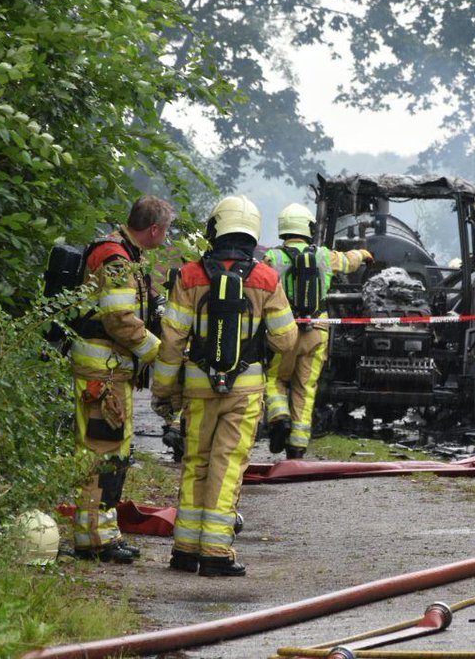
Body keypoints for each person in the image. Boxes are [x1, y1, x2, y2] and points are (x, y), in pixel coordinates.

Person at [154, 195, 298, 577]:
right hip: (243, 392)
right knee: (228, 464)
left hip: (198, 390)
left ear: (215, 228)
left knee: (196, 462)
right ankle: (216, 552)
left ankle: (185, 549)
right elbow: (286, 339)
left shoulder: (189, 276)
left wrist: (163, 391)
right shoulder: (266, 278)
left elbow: (171, 342)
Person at [70, 195, 174, 563]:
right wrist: (157, 352)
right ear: (154, 229)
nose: (167, 237)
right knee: (102, 453)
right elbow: (119, 320)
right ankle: (93, 539)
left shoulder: (126, 255)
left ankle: (103, 534)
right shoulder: (116, 259)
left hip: (111, 373)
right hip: (103, 373)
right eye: (167, 231)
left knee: (114, 452)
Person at [263, 203, 372, 459]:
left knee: (274, 379)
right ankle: (297, 446)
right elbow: (348, 262)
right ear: (308, 228)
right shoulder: (323, 256)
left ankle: (279, 417)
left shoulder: (273, 258)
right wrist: (364, 253)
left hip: (284, 331)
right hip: (317, 331)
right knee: (305, 387)